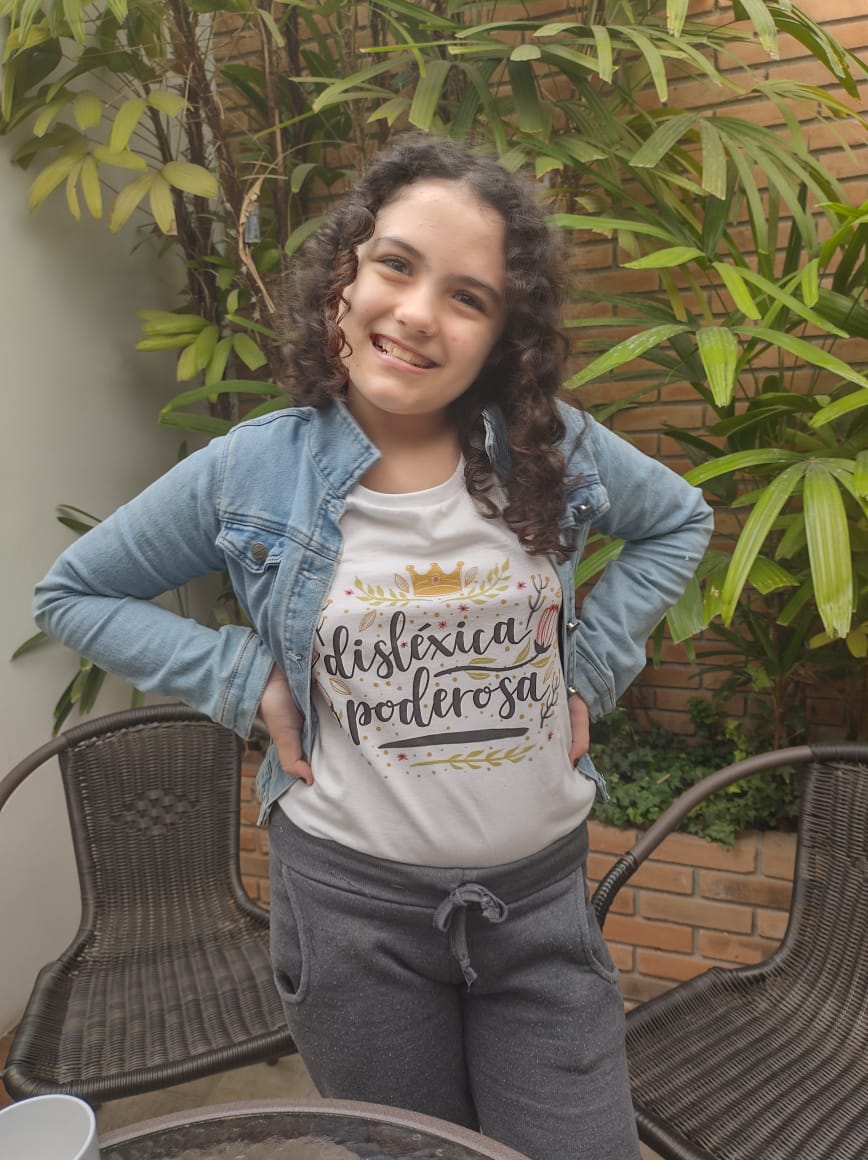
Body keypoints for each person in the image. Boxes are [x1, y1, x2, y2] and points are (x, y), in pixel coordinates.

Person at [34, 134, 713, 1160]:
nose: (418, 313)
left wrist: (587, 671)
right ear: (343, 274)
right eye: (396, 263)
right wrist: (246, 678)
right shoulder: (251, 470)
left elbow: (678, 522)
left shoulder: (553, 447)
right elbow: (75, 591)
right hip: (353, 921)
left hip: (537, 908)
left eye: (469, 297)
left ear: (503, 336)